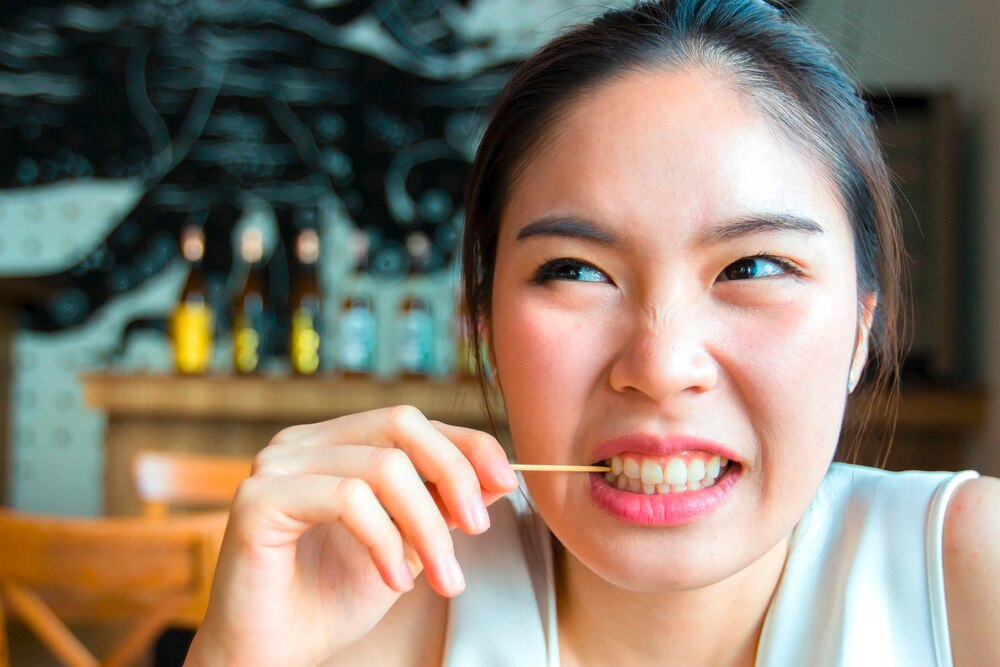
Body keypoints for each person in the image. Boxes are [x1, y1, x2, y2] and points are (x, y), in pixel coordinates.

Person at [184, 1, 1000, 665]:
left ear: (862, 328)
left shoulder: (971, 572)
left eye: (751, 267)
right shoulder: (373, 609)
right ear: (486, 324)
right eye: (576, 271)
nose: (659, 366)